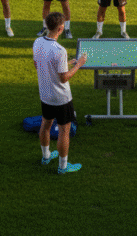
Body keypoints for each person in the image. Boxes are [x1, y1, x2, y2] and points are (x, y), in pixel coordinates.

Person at [32, 12, 87, 174]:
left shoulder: (37, 42)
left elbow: (38, 65)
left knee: (45, 124)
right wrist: (78, 65)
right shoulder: (59, 50)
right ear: (61, 28)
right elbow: (64, 78)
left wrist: (64, 63)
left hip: (45, 95)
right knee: (64, 130)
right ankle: (63, 167)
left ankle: (46, 156)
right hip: (61, 98)